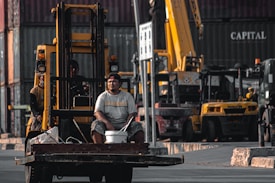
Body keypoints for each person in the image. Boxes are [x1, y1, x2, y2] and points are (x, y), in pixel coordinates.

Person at [91, 72, 144, 144]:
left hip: (124, 124)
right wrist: (107, 123)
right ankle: (99, 149)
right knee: (96, 125)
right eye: (109, 82)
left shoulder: (127, 96)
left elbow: (132, 113)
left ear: (120, 84)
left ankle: (139, 149)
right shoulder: (102, 96)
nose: (112, 84)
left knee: (137, 126)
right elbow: (97, 113)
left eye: (114, 82)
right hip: (108, 124)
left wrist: (126, 124)